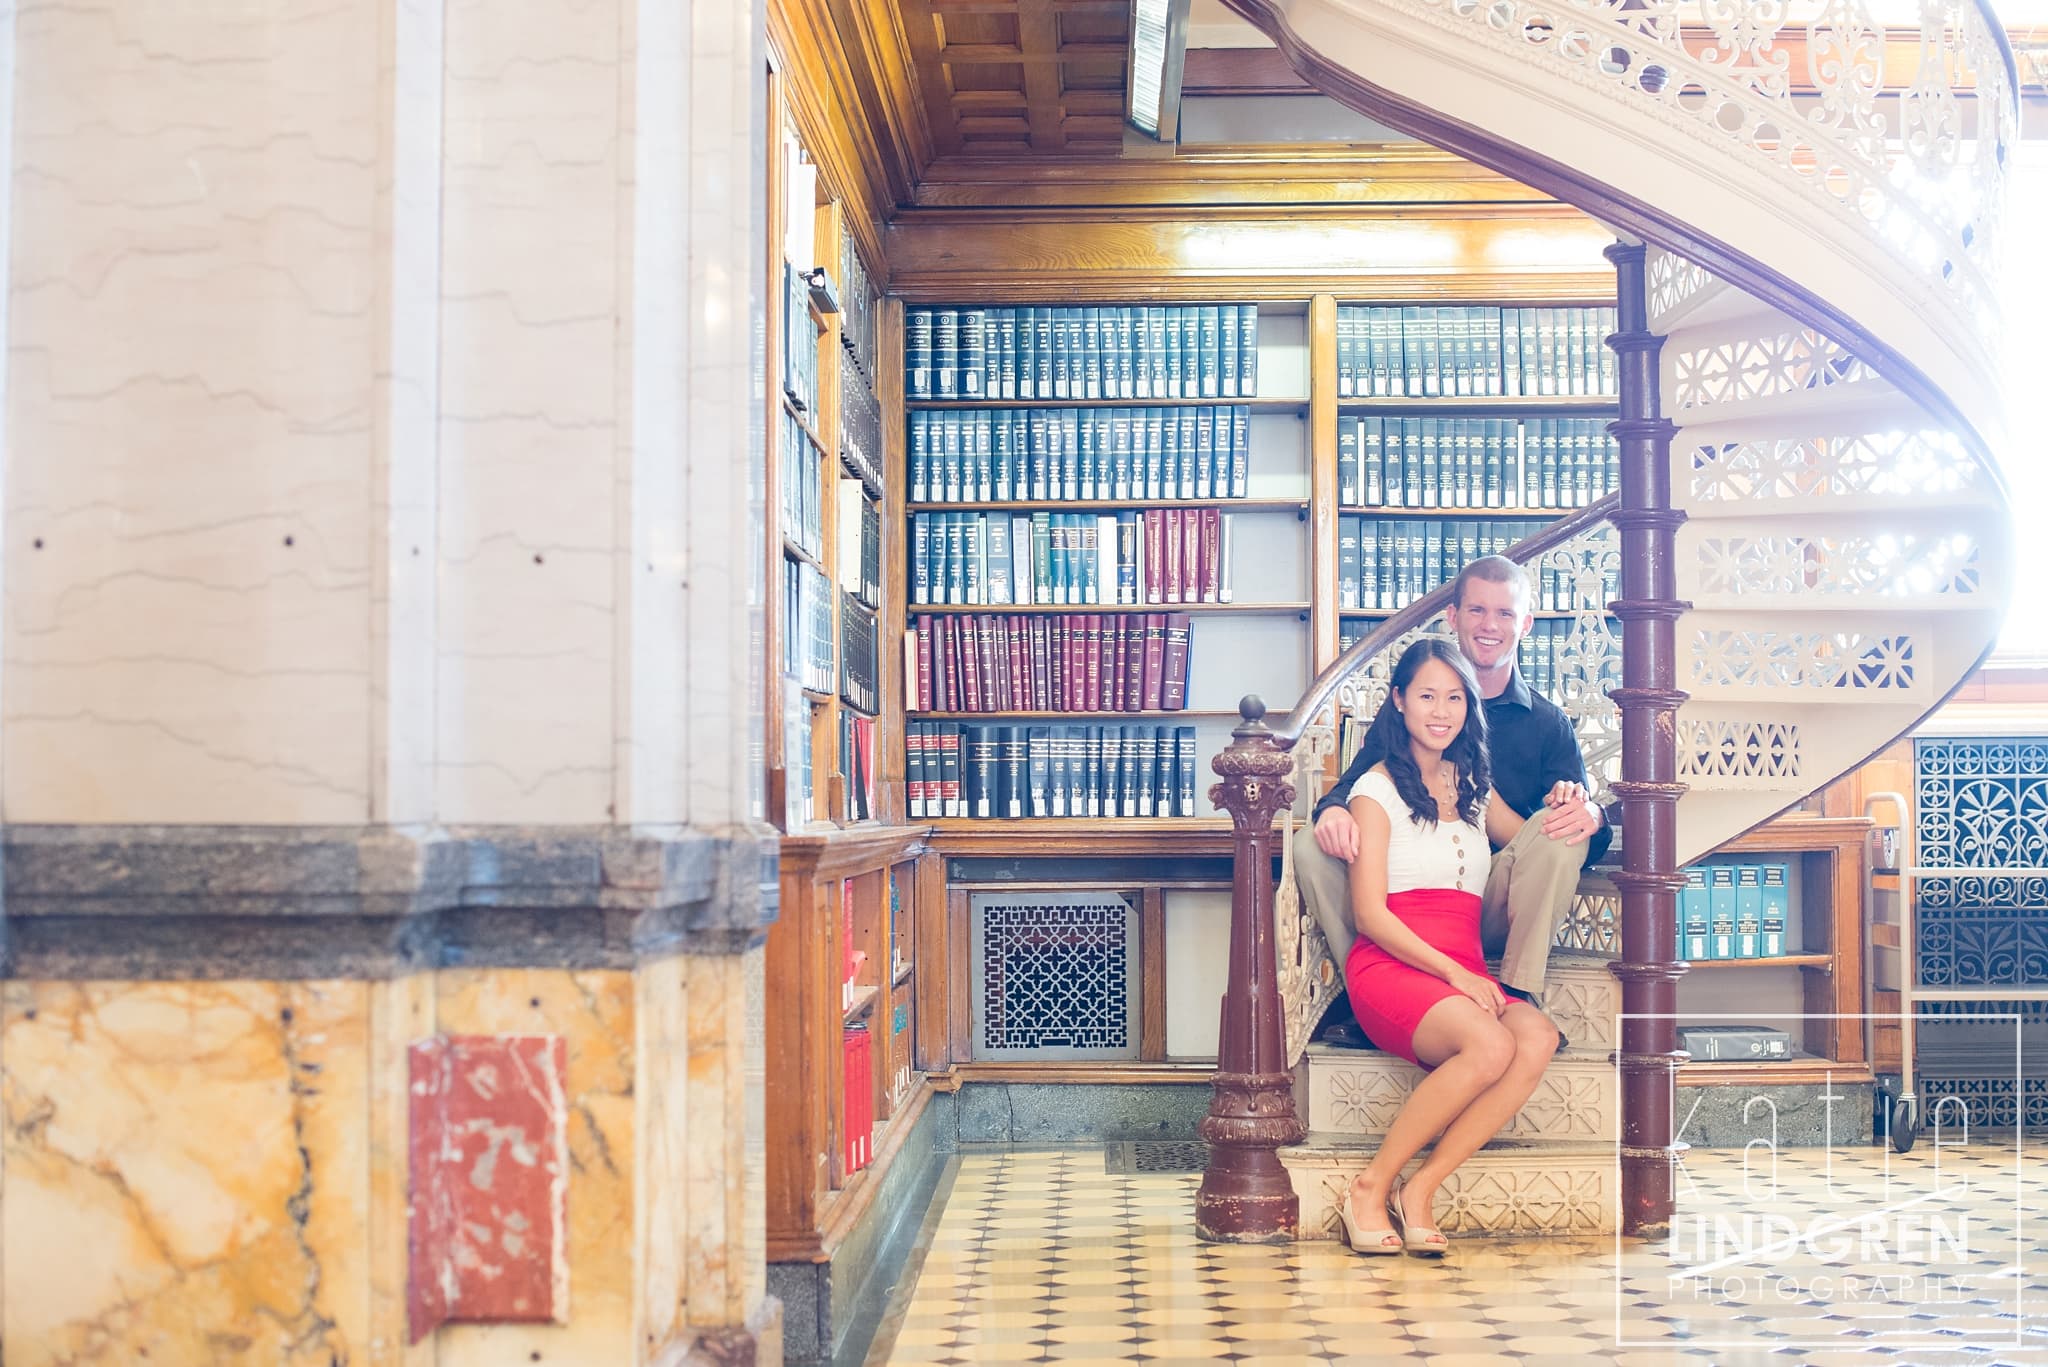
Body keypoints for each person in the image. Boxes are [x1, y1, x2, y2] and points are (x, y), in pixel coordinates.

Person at [1300, 555, 1611, 1038]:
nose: (1490, 626)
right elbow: (1356, 786)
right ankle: (1362, 995)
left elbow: (1566, 823)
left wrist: (1591, 809)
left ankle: (1517, 989)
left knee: (1559, 836)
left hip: (1492, 894)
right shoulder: (1410, 713)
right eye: (1476, 611)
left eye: (1505, 613)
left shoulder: (1548, 725)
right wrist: (1333, 809)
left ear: (1525, 624)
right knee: (1309, 846)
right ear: (1453, 617)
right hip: (1409, 896)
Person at [1326, 637, 1559, 1257]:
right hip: (1394, 965)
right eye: (1426, 695)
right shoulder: (1374, 791)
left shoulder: (1474, 787)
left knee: (1537, 1036)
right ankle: (1370, 1188)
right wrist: (1455, 976)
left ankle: (1420, 1188)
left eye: (1454, 697)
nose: (1441, 710)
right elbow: (1369, 915)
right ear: (1399, 701)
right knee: (1490, 1043)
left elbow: (1535, 839)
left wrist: (1581, 807)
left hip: (1463, 967)